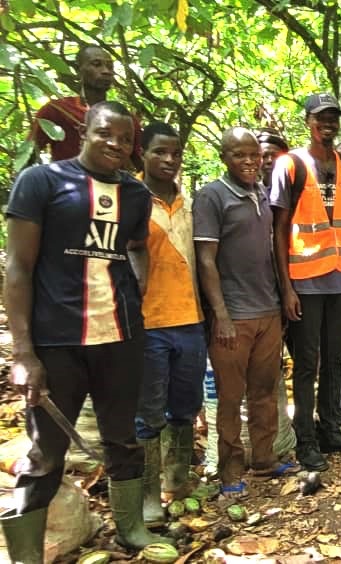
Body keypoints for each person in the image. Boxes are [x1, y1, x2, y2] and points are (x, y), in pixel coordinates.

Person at [2, 101, 170, 560]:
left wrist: (138, 285)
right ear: (85, 130)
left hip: (120, 338)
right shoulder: (42, 181)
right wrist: (23, 354)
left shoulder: (134, 194)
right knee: (45, 451)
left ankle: (131, 529)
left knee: (123, 438)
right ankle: (27, 554)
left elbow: (136, 247)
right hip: (57, 343)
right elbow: (17, 269)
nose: (115, 144)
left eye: (124, 138)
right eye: (105, 133)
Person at [194, 127, 299, 499]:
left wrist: (283, 294)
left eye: (254, 154)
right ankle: (230, 470)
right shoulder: (211, 196)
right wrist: (220, 315)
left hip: (267, 310)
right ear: (224, 157)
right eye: (240, 155)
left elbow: (272, 249)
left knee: (264, 392)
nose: (251, 161)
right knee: (228, 397)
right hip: (233, 316)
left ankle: (265, 459)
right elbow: (206, 260)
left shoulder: (260, 192)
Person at [270, 93, 341, 471]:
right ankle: (306, 440)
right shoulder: (290, 164)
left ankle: (330, 430)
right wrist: (287, 287)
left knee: (335, 358)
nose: (328, 124)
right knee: (307, 363)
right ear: (308, 120)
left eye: (333, 118)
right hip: (305, 280)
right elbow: (278, 230)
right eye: (321, 118)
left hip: (340, 279)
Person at [129, 122, 207, 526]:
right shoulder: (131, 199)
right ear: (142, 153)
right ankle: (146, 496)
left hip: (191, 320)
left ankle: (176, 481)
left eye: (175, 153)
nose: (169, 160)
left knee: (185, 405)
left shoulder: (189, 202)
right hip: (150, 322)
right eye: (160, 152)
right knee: (149, 413)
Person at [29, 45, 142, 169]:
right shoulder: (57, 110)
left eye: (110, 67)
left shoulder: (126, 120)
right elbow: (28, 155)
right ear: (79, 70)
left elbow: (141, 164)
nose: (106, 71)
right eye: (96, 64)